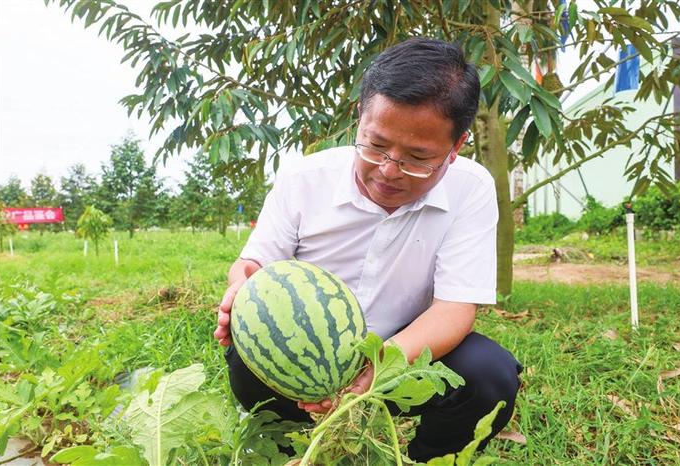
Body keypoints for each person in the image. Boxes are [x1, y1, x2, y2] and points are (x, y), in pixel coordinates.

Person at [213, 37, 522, 461]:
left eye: (417, 157)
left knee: (489, 376)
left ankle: (426, 458)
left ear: (456, 147)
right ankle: (292, 448)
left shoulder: (472, 189)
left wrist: (373, 370)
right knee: (248, 363)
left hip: (404, 349)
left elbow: (455, 309)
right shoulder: (305, 178)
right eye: (376, 145)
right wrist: (238, 288)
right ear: (360, 118)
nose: (389, 170)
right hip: (306, 353)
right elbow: (253, 265)